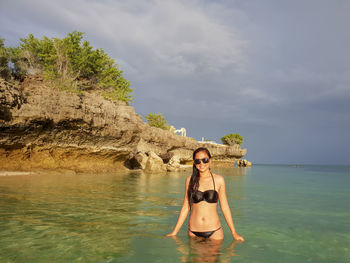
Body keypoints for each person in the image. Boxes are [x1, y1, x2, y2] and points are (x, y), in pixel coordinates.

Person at [166, 147, 244, 241]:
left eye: (205, 160)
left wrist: (234, 232)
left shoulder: (219, 180)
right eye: (198, 161)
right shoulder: (190, 180)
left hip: (214, 232)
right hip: (193, 232)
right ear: (194, 163)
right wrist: (174, 232)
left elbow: (225, 207)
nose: (201, 164)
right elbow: (186, 207)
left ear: (210, 160)